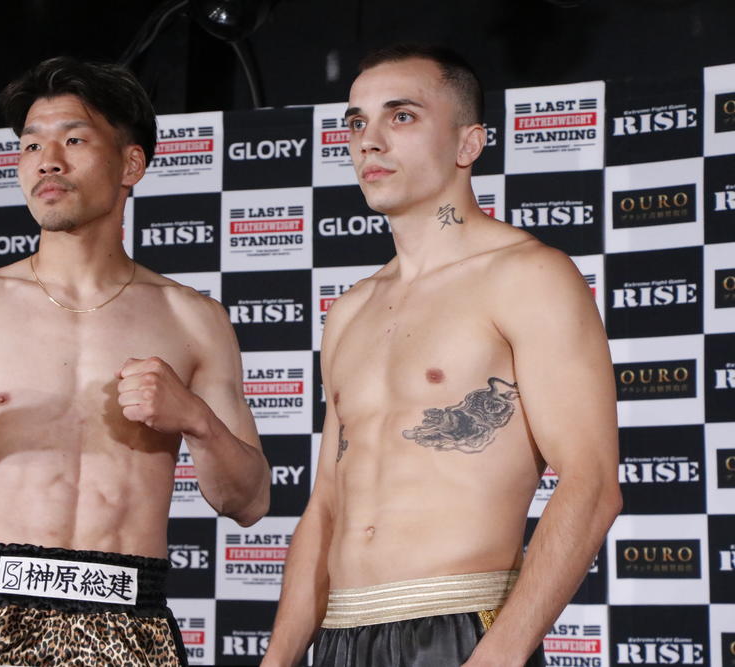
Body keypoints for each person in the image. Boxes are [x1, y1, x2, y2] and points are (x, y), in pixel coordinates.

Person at [0, 56, 269, 667]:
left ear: (131, 164)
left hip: (131, 621)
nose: (47, 160)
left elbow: (250, 502)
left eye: (73, 140)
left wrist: (196, 420)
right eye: (31, 145)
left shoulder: (193, 318)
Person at [262, 44, 621, 666]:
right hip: (342, 636)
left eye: (401, 116)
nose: (369, 141)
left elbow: (591, 485)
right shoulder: (349, 310)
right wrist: (278, 659)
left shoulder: (527, 275)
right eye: (356, 121)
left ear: (468, 143)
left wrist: (499, 656)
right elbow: (325, 506)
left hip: (459, 630)